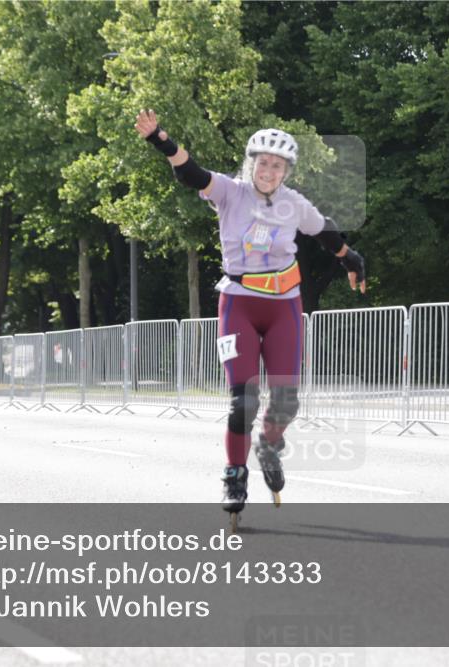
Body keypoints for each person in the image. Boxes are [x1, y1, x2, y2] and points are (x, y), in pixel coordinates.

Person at [135, 110, 366, 526]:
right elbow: (192, 173)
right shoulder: (231, 192)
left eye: (277, 166)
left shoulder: (294, 204)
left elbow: (325, 232)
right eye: (263, 162)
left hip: (285, 306)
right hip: (239, 302)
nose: (268, 170)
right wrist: (161, 141)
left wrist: (350, 258)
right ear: (251, 163)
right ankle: (234, 474)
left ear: (286, 171)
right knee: (243, 401)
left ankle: (269, 444)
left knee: (286, 402)